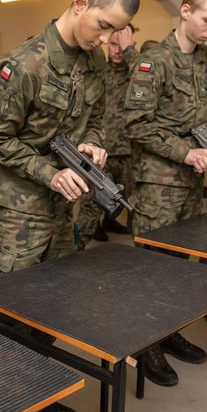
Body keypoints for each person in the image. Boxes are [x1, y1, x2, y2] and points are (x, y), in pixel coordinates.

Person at [0, 0, 140, 412]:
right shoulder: (24, 63)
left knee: (51, 313)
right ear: (80, 3)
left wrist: (91, 145)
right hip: (18, 214)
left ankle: (39, 393)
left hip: (62, 210)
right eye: (104, 26)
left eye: (117, 32)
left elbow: (93, 118)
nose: (109, 40)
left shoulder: (91, 63)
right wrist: (50, 172)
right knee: (12, 316)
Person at [123, 0, 207, 387]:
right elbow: (136, 125)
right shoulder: (154, 61)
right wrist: (184, 151)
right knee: (151, 268)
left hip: (193, 183)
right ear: (185, 11)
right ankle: (145, 344)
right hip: (159, 185)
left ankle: (168, 331)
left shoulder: (206, 60)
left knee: (177, 267)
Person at [76, 27, 137, 248]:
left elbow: (146, 75)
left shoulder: (137, 71)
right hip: (100, 153)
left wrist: (131, 51)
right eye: (113, 44)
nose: (118, 50)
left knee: (135, 206)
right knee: (90, 205)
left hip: (131, 154)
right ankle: (75, 250)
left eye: (122, 45)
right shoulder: (99, 71)